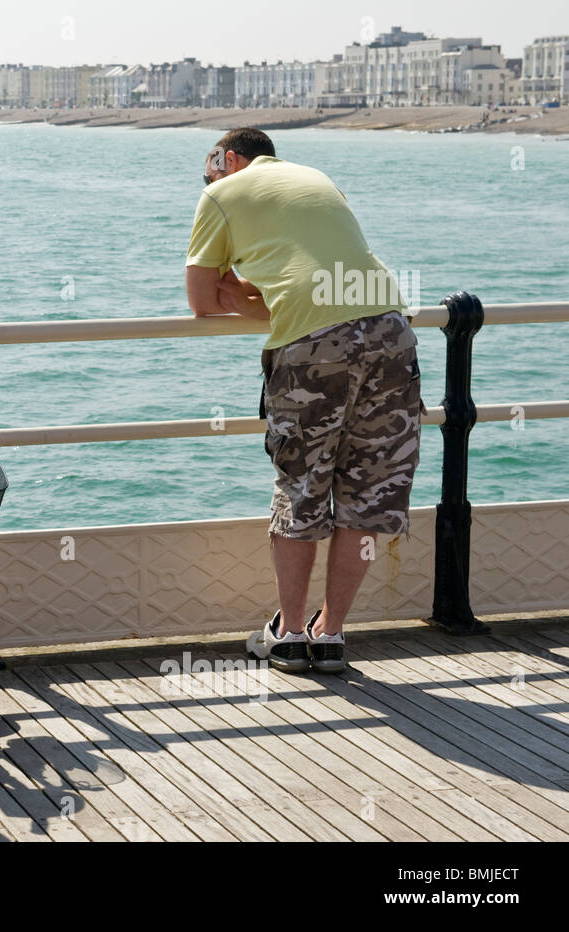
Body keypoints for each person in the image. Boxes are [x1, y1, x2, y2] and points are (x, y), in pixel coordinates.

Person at [184, 128, 422, 674]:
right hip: (390, 330)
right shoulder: (317, 179)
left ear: (230, 158)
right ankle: (331, 634)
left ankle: (290, 636)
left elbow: (201, 301)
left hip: (315, 349)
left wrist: (244, 295)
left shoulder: (221, 194)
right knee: (370, 491)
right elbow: (320, 280)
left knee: (302, 484)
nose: (209, 180)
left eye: (211, 169)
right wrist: (279, 298)